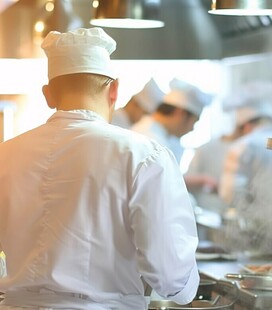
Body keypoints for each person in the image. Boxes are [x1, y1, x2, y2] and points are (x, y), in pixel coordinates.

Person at [0, 28, 199, 310]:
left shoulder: (4, 154)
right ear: (115, 90)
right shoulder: (145, 156)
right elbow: (171, 278)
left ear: (47, 95)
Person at [131, 79, 212, 164]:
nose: (192, 129)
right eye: (194, 122)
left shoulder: (155, 133)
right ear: (180, 113)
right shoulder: (151, 139)